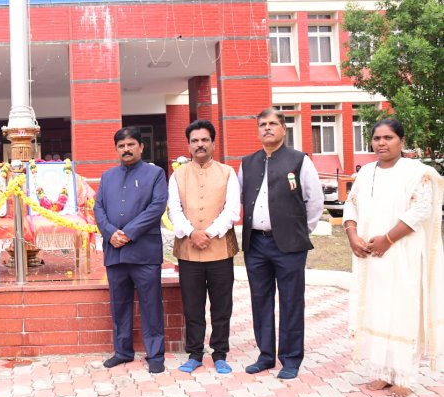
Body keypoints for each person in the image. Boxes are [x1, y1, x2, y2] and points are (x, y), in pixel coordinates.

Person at [344, 118, 444, 397]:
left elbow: (421, 210)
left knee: (402, 309)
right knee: (376, 308)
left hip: (402, 251)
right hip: (370, 255)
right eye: (377, 138)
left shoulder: (417, 172)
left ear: (401, 140)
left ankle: (404, 376)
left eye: (388, 138)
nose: (381, 143)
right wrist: (353, 236)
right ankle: (381, 372)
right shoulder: (365, 174)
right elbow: (350, 204)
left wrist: (388, 239)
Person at [239, 108, 323, 380]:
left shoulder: (299, 160)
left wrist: (298, 232)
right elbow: (242, 199)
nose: (267, 128)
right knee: (260, 301)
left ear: (284, 129)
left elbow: (315, 201)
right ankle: (265, 356)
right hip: (256, 245)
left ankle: (290, 358)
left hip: (289, 246)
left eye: (273, 123)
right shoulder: (247, 162)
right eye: (262, 124)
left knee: (291, 301)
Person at [167, 120, 240, 374]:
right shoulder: (177, 175)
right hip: (188, 251)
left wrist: (207, 233)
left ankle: (220, 353)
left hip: (219, 249)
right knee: (192, 305)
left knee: (222, 305)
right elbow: (173, 209)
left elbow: (231, 210)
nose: (200, 144)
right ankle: (195, 353)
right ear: (188, 145)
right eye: (195, 141)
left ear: (212, 143)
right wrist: (190, 233)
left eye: (204, 140)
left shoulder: (227, 172)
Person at [94, 126, 168, 374]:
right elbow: (98, 209)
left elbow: (157, 206)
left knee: (151, 305)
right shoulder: (107, 177)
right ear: (116, 149)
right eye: (121, 146)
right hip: (115, 252)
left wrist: (128, 233)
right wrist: (110, 233)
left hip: (144, 252)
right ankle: (123, 352)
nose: (126, 150)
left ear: (141, 146)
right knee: (120, 304)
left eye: (130, 145)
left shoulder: (155, 174)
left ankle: (155, 354)